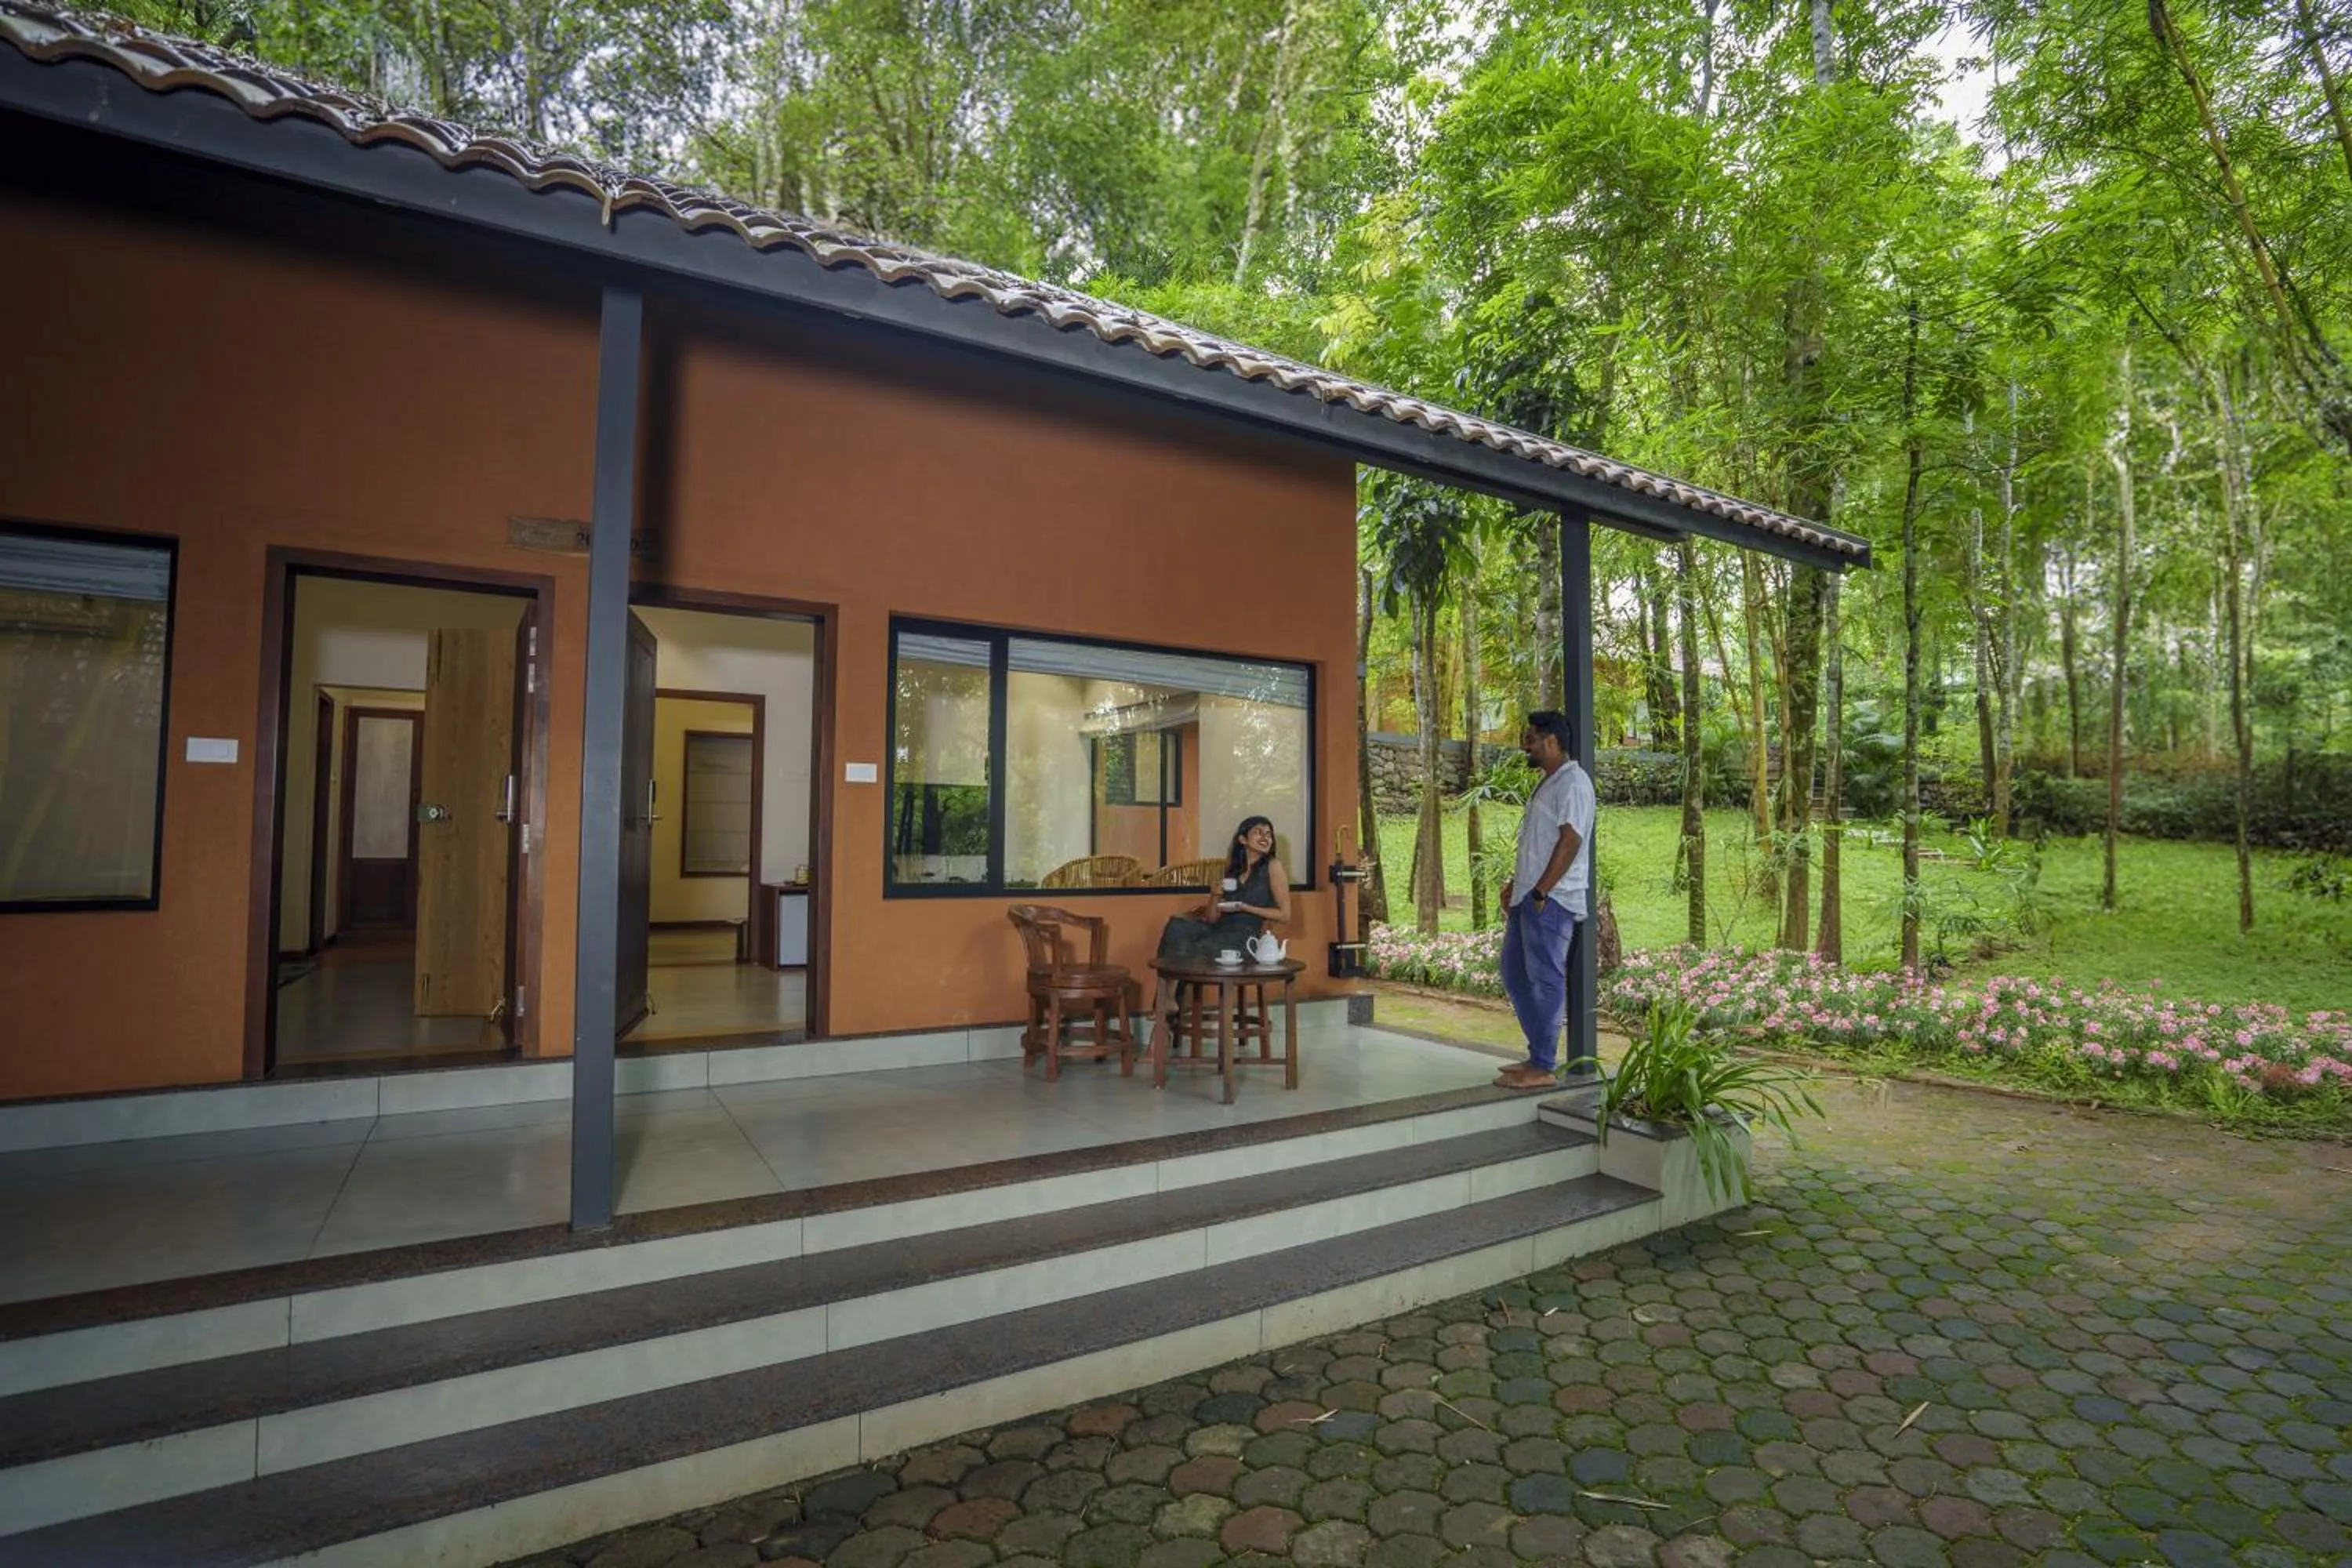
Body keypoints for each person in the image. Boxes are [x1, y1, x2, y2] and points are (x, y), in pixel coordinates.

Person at [1495, 710, 1595, 1091]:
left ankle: (1542, 1065)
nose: (1526, 745)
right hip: (1530, 896)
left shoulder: (1574, 783)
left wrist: (1541, 891)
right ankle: (1537, 1053)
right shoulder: (1550, 783)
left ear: (1551, 742)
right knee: (1515, 973)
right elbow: (1541, 844)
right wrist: (1518, 885)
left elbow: (1571, 840)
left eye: (1531, 739)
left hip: (1550, 901)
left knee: (1545, 979)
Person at [1152, 817, 1291, 1033]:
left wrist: (1246, 908)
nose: (1265, 838)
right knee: (1177, 925)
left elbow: (1285, 915)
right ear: (1243, 839)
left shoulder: (1273, 867)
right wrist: (1214, 896)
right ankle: (1168, 1003)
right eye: (1259, 832)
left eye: (1268, 834)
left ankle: (1165, 1010)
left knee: (1183, 952)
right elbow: (1212, 918)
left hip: (1246, 940)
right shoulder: (1232, 872)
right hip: (1219, 930)